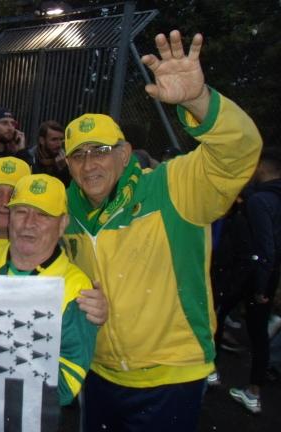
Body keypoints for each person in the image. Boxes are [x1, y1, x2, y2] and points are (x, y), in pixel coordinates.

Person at [61, 30, 262, 432]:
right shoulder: (67, 211)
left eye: (100, 150)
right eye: (78, 155)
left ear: (123, 154)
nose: (89, 164)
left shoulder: (172, 187)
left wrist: (198, 100)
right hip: (97, 373)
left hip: (170, 376)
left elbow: (238, 154)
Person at [0, 174, 97, 410]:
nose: (29, 223)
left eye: (43, 214)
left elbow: (66, 385)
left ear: (63, 223)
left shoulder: (76, 287)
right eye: (20, 212)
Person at [228, 148, 281, 413]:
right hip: (268, 275)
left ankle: (210, 375)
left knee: (217, 310)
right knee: (258, 333)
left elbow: (264, 246)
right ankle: (254, 391)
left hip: (251, 275)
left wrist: (260, 286)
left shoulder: (260, 201)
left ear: (262, 167)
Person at [29, 120, 71, 185]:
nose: (59, 144)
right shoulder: (30, 158)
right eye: (54, 139)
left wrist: (63, 169)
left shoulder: (65, 159)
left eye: (61, 139)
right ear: (42, 140)